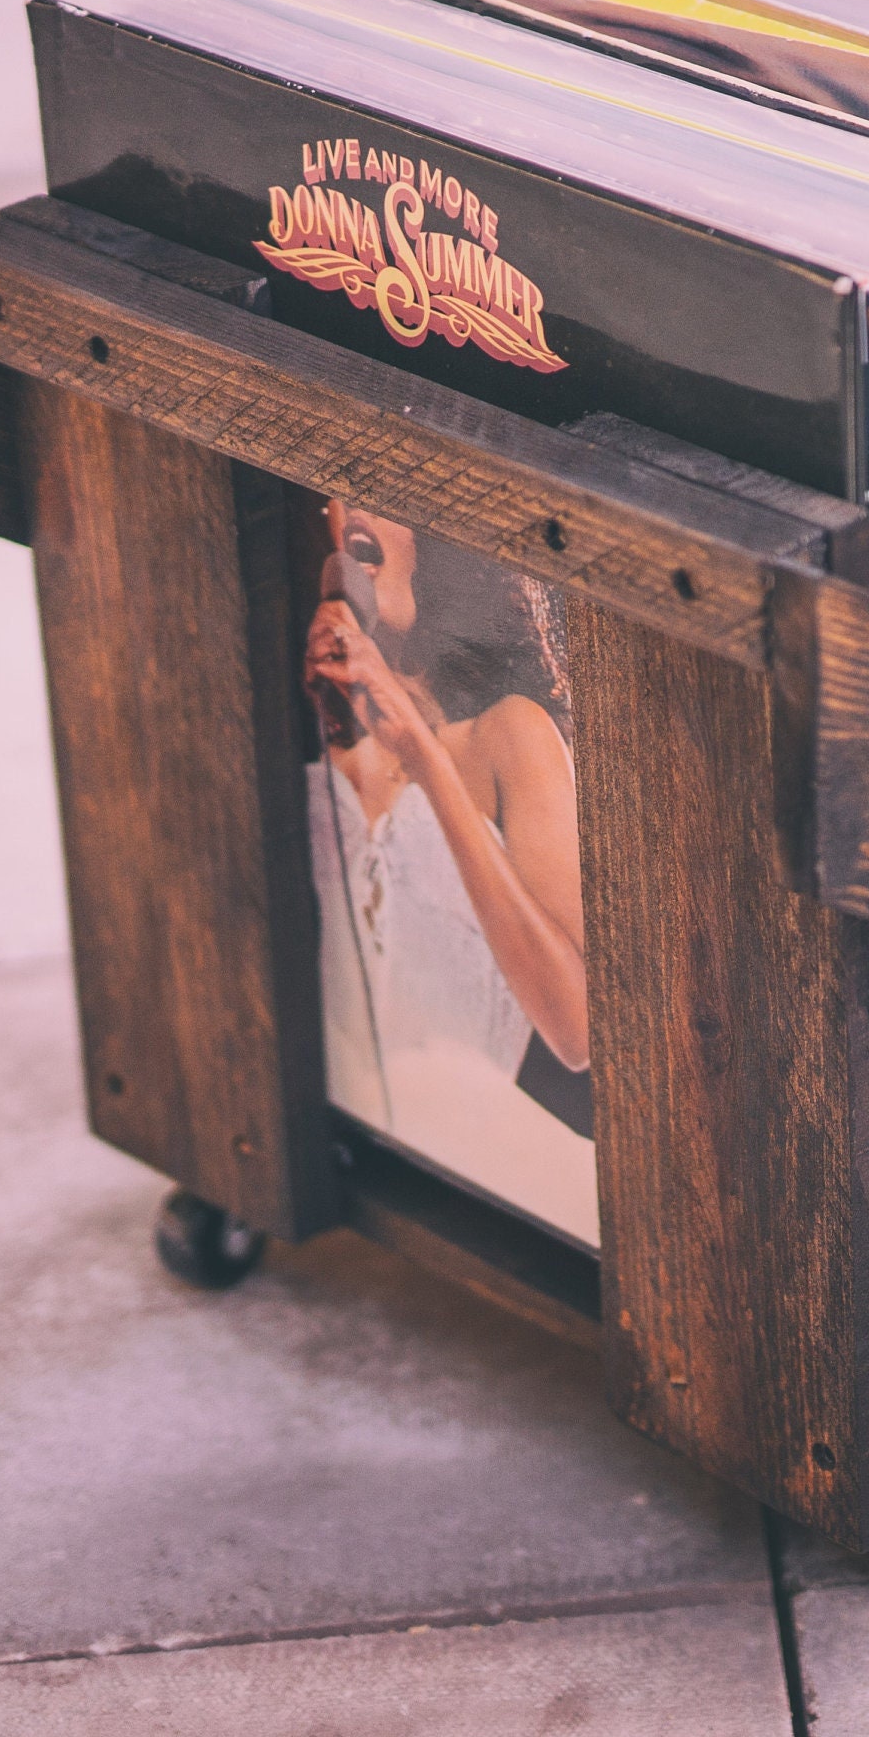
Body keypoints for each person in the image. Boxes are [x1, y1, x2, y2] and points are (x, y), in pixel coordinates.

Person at [303, 502, 595, 1241]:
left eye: (383, 493)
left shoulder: (509, 734)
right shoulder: (317, 737)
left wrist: (425, 760)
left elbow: (576, 1028)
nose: (353, 507)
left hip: (505, 1169)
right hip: (349, 1132)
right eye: (339, 493)